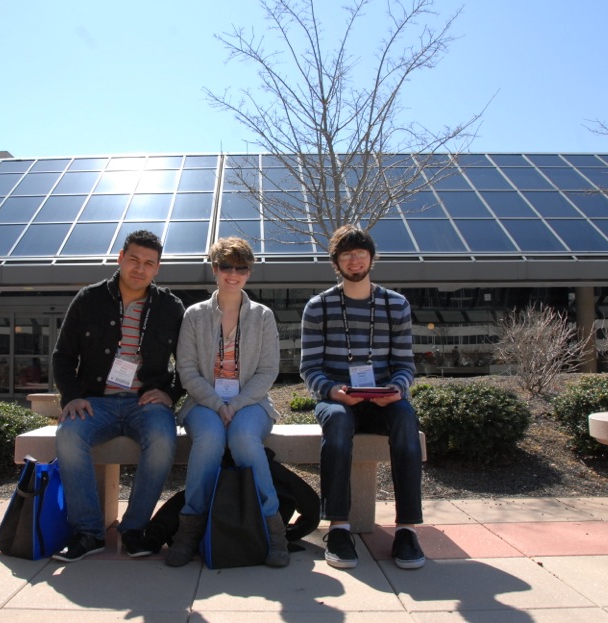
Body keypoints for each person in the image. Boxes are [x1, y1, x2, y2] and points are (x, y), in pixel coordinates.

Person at [51, 229, 185, 562]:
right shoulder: (89, 299)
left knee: (164, 439)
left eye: (149, 263)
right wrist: (71, 397)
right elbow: (62, 356)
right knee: (68, 436)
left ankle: (134, 529)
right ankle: (89, 532)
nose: (140, 269)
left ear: (158, 268)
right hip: (96, 401)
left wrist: (170, 393)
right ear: (120, 258)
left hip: (146, 403)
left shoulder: (170, 307)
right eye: (135, 260)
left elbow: (190, 362)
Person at [299, 224, 425, 570]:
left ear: (371, 257)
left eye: (360, 253)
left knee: (405, 420)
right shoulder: (319, 307)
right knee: (338, 424)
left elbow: (404, 364)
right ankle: (338, 526)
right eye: (346, 255)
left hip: (384, 399)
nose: (354, 261)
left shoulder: (395, 304)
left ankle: (406, 528)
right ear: (335, 262)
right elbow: (309, 367)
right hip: (338, 399)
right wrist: (332, 390)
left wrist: (398, 388)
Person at [165, 237, 290, 568]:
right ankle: (189, 529)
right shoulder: (194, 315)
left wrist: (235, 404)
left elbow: (268, 371)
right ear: (214, 270)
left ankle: (274, 530)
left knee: (244, 439)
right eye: (226, 267)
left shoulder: (263, 316)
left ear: (249, 273)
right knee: (209, 440)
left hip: (250, 403)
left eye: (241, 268)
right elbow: (187, 370)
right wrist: (217, 403)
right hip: (203, 403)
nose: (233, 274)